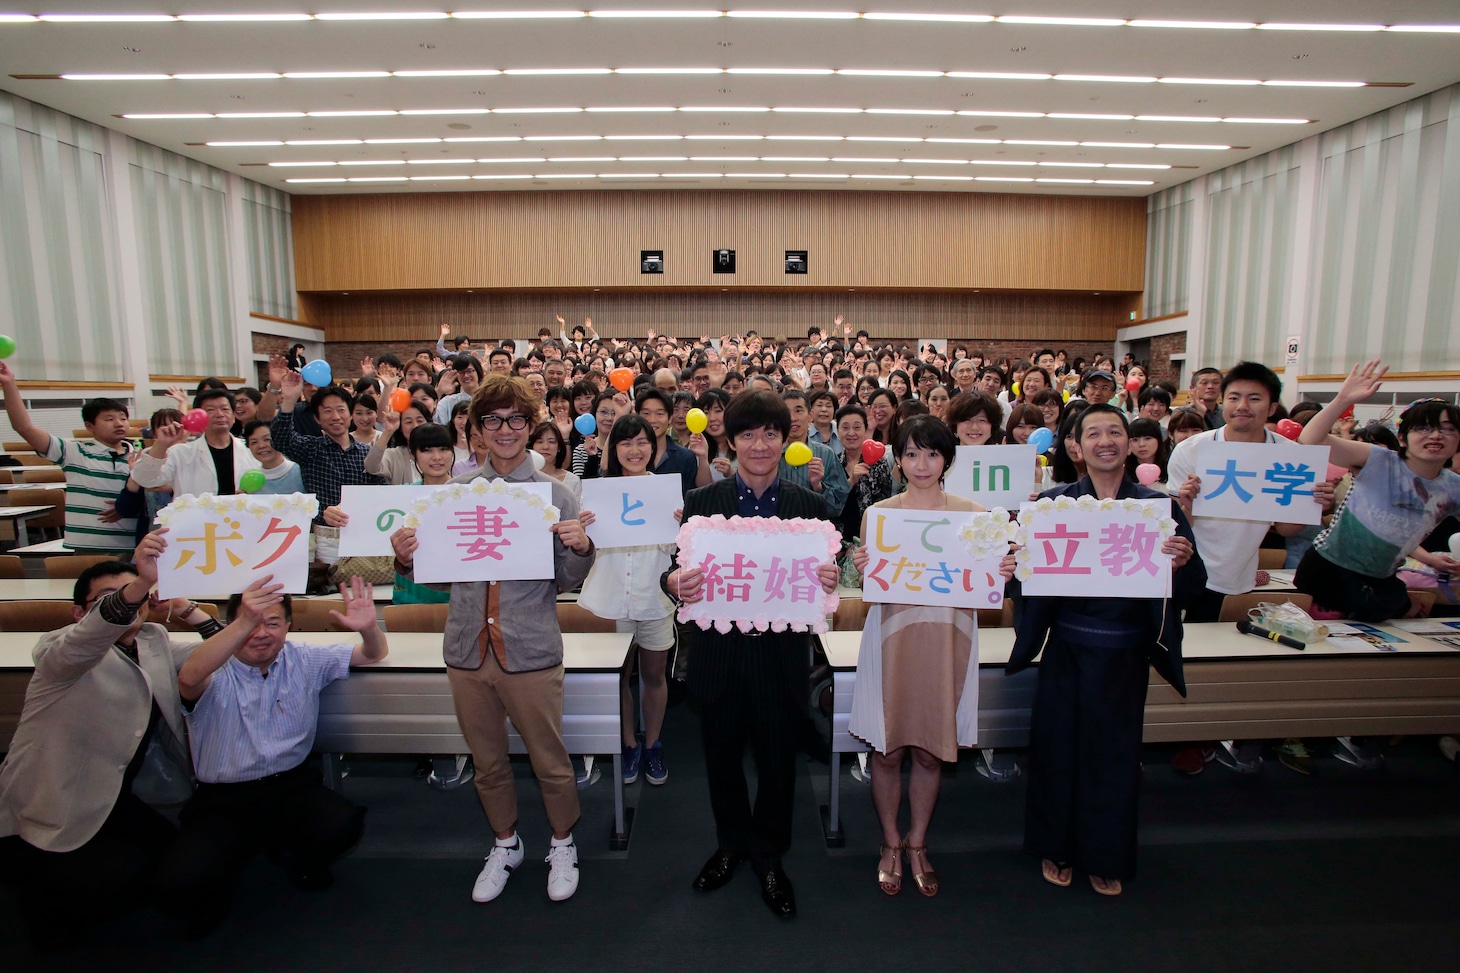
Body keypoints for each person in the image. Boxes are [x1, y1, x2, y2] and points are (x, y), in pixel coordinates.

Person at [390, 375, 595, 905]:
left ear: (531, 427)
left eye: (516, 420)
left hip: (530, 648)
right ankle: (505, 842)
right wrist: (408, 557)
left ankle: (562, 842)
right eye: (493, 420)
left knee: (550, 760)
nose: (505, 430)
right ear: (477, 430)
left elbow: (568, 580)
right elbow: (439, 578)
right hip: (466, 648)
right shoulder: (454, 495)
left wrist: (581, 546)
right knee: (487, 762)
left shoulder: (556, 494)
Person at [1009, 404, 1204, 895]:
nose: (1105, 441)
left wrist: (1182, 561)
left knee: (1114, 756)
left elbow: (1193, 585)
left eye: (1114, 431)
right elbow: (1027, 585)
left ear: (1133, 441)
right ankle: (1057, 846)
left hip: (1124, 652)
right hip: (1069, 647)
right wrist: (1015, 568)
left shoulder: (1157, 507)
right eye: (1092, 433)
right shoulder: (1054, 504)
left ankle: (1105, 852)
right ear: (1075, 446)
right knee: (1057, 750)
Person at [665, 390, 840, 919]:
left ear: (786, 438)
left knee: (777, 765)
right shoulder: (701, 505)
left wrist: (828, 582)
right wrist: (674, 582)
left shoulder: (810, 508)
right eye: (747, 435)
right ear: (730, 439)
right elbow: (673, 573)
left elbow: (823, 592)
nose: (759, 445)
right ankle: (730, 844)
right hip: (719, 658)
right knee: (721, 762)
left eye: (769, 433)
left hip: (781, 660)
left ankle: (768, 855)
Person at [0, 541, 222, 946]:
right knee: (119, 878)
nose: (129, 605)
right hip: (54, 798)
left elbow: (225, 653)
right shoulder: (61, 647)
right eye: (110, 598)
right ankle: (41, 898)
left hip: (118, 794)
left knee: (177, 870)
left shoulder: (153, 640)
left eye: (138, 596)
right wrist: (139, 584)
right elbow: (91, 637)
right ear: (78, 612)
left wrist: (188, 609)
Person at [155, 576, 386, 936]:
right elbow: (190, 677)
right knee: (180, 885)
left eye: (272, 622)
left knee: (341, 826)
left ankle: (291, 854)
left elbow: (373, 654)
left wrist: (370, 629)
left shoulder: (304, 658)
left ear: (289, 627)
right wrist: (243, 621)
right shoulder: (211, 666)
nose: (261, 633)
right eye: (249, 622)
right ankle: (226, 873)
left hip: (290, 785)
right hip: (223, 798)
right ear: (233, 625)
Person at [849, 416, 1014, 896]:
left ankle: (917, 842)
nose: (922, 464)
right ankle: (889, 843)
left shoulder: (976, 515)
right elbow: (872, 588)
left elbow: (989, 585)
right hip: (891, 639)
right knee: (887, 748)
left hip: (949, 639)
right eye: (912, 454)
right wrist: (863, 569)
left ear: (948, 459)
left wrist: (1002, 568)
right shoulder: (880, 514)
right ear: (898, 459)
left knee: (929, 752)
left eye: (933, 454)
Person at [1296, 361, 1460, 621]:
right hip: (1329, 570)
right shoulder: (1380, 460)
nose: (1436, 435)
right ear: (1403, 438)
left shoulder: (1453, 487)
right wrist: (1341, 400)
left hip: (1381, 578)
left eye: (1448, 429)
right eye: (1424, 428)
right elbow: (1309, 441)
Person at [577, 416, 678, 787]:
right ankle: (627, 743)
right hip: (609, 597)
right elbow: (585, 550)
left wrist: (682, 526)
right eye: (625, 443)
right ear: (613, 449)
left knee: (653, 676)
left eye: (642, 442)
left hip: (654, 597)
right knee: (617, 677)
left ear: (653, 447)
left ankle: (653, 743)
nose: (635, 450)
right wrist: (584, 532)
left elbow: (676, 549)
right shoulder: (596, 493)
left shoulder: (668, 491)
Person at [0, 362, 139, 552]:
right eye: (109, 419)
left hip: (133, 547)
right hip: (87, 545)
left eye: (123, 418)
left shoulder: (141, 457)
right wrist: (9, 384)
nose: (119, 423)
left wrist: (125, 507)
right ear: (90, 426)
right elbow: (24, 428)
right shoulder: (74, 452)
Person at [133, 388, 262, 498]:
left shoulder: (251, 449)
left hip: (239, 522)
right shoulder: (181, 453)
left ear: (233, 417)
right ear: (198, 416)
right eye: (210, 410)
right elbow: (145, 479)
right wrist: (161, 445)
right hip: (197, 524)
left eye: (225, 409)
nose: (219, 414)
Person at [780, 389, 849, 518]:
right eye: (785, 412)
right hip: (776, 531)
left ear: (810, 416)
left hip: (815, 530)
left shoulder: (826, 454)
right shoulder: (771, 454)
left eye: (799, 411)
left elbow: (837, 508)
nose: (792, 418)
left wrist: (818, 486)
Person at [636, 388, 702, 498]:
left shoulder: (685, 457)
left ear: (670, 418)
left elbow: (690, 498)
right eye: (646, 413)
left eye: (659, 414)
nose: (652, 419)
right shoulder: (631, 455)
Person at [243, 420, 305, 495]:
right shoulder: (250, 478)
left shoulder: (301, 472)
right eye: (254, 442)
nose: (261, 446)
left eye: (267, 439)